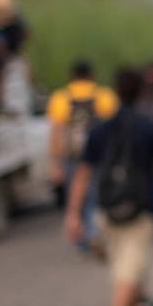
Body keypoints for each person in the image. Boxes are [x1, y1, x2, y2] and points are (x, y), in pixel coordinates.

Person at [65, 69, 153, 306]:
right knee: (128, 270)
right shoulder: (151, 128)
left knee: (122, 266)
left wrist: (73, 213)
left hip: (107, 208)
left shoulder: (100, 129)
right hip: (141, 209)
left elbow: (82, 174)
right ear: (141, 91)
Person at [47, 60, 119, 249]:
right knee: (97, 195)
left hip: (73, 158)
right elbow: (113, 128)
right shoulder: (104, 95)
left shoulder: (61, 98)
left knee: (77, 197)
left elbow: (56, 132)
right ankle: (95, 232)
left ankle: (83, 236)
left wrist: (55, 163)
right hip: (100, 156)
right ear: (91, 75)